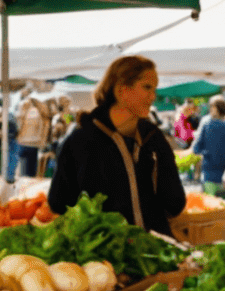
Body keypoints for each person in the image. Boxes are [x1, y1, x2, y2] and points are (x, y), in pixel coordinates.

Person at [48, 56, 186, 234]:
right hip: (105, 249)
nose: (153, 96)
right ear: (122, 90)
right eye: (147, 87)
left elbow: (175, 203)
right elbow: (59, 203)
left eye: (154, 89)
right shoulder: (80, 142)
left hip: (153, 247)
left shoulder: (153, 138)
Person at [190, 96, 225, 196]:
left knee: (210, 204)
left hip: (209, 176)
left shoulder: (207, 126)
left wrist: (206, 152)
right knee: (224, 205)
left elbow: (196, 149)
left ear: (214, 108)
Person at [12, 94, 50, 179]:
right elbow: (43, 130)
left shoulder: (25, 111)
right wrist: (42, 142)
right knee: (30, 173)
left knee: (21, 173)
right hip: (34, 144)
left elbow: (18, 125)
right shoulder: (41, 113)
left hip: (22, 142)